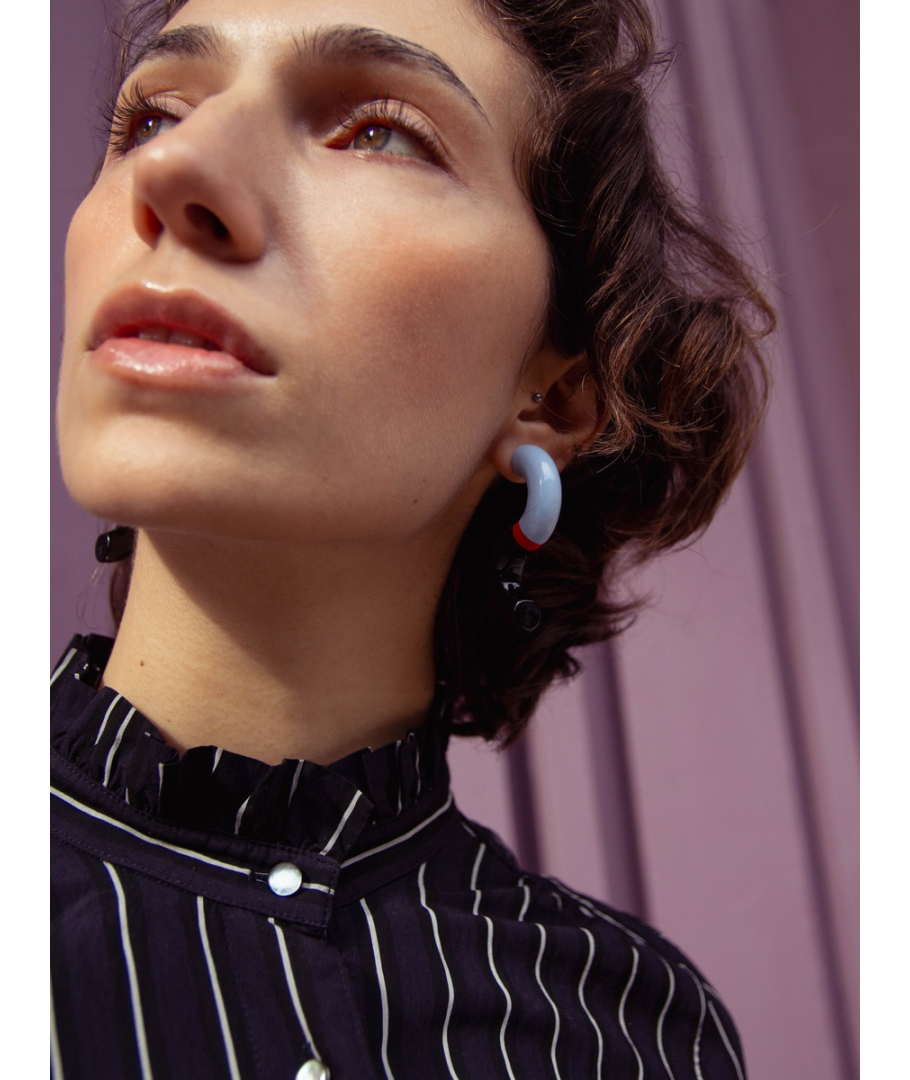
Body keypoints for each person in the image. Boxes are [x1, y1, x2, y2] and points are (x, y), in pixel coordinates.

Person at [50, 0, 773, 1076]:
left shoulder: (635, 1033)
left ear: (553, 395)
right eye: (152, 118)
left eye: (379, 133)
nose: (175, 169)